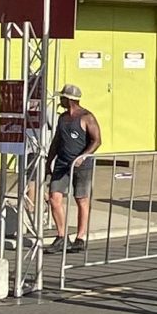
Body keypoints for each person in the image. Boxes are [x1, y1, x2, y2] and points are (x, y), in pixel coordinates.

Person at [45, 84, 102, 254]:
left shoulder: (87, 117)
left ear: (69, 99)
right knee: (54, 197)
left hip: (81, 165)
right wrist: (49, 162)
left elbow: (97, 140)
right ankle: (61, 236)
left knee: (81, 199)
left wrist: (83, 156)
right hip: (62, 163)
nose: (60, 101)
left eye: (62, 98)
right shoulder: (62, 118)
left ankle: (81, 237)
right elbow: (56, 141)